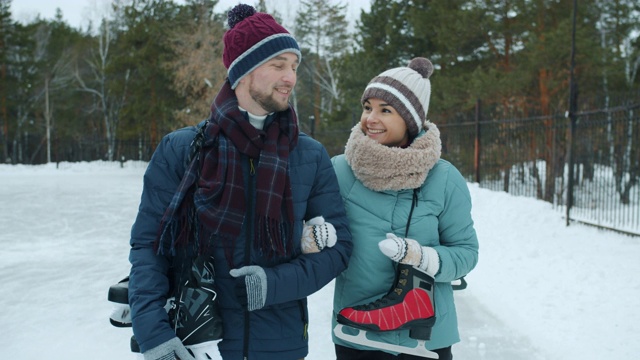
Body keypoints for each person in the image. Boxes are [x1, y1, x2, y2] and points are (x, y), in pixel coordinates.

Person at [127, 4, 352, 360]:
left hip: (281, 345)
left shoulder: (309, 155)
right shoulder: (182, 149)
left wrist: (272, 285)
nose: (291, 78)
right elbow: (150, 247)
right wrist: (154, 335)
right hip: (199, 345)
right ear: (243, 73)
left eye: (294, 66)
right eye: (278, 65)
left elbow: (339, 250)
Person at [330, 57, 479, 360]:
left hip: (425, 338)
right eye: (368, 107)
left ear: (410, 121)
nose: (371, 118)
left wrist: (423, 257)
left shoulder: (444, 177)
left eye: (385, 110)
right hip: (358, 337)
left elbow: (466, 253)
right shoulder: (340, 171)